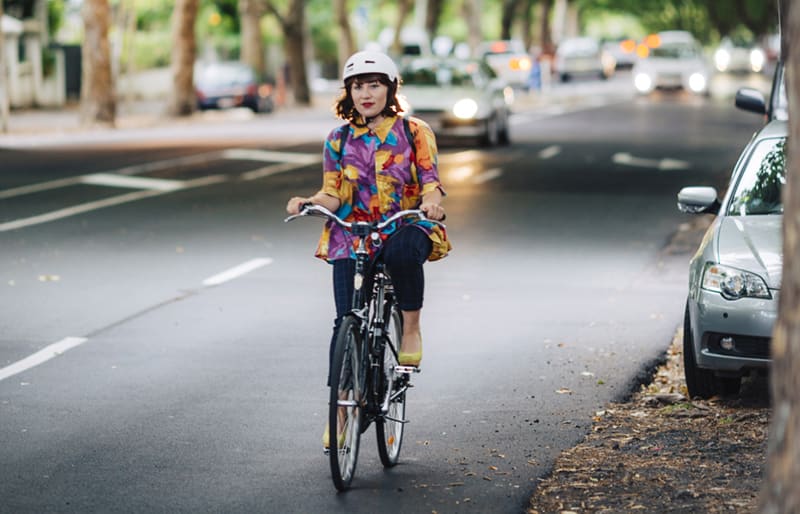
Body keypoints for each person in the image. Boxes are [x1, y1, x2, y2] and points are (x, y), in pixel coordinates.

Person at [286, 50, 451, 447]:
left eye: (374, 84)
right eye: (358, 86)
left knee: (401, 253)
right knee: (345, 321)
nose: (366, 93)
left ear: (390, 88)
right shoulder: (338, 139)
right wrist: (309, 202)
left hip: (402, 224)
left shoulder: (414, 132)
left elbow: (430, 180)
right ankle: (342, 409)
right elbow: (332, 192)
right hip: (353, 233)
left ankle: (410, 331)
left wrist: (430, 202)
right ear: (349, 92)